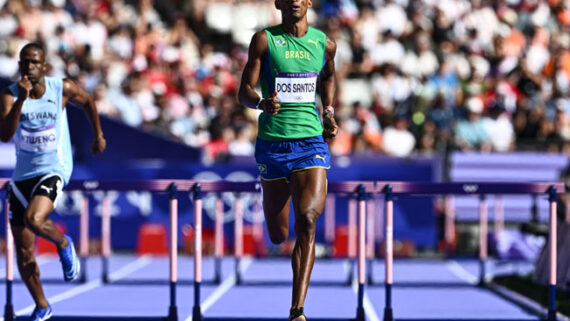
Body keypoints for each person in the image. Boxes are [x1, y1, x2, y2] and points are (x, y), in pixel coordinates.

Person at [238, 1, 338, 320]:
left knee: (307, 221)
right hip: (272, 145)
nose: (295, 0)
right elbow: (244, 91)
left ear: (308, 3)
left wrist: (329, 112)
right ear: (279, 3)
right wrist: (262, 103)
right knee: (279, 235)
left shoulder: (325, 43)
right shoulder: (265, 40)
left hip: (311, 142)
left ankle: (297, 310)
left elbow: (328, 78)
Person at [0, 43, 106, 320]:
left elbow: (88, 102)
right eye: (25, 62)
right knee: (23, 252)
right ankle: (42, 306)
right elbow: (4, 135)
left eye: (35, 62)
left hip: (54, 167)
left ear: (44, 66)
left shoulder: (62, 88)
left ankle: (62, 243)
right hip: (22, 175)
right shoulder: (10, 95)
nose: (29, 67)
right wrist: (21, 100)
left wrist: (98, 135)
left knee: (35, 220)